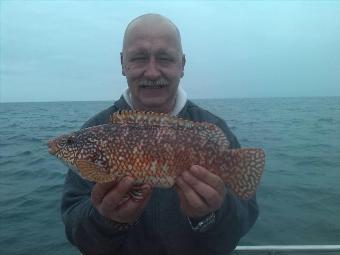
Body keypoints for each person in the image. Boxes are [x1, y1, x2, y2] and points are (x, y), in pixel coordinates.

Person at [61, 13, 258, 255]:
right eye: (139, 58)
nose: (152, 72)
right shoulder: (95, 132)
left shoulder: (212, 127)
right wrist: (105, 219)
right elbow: (75, 229)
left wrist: (212, 214)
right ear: (123, 64)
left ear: (182, 65)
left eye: (164, 58)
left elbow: (242, 221)